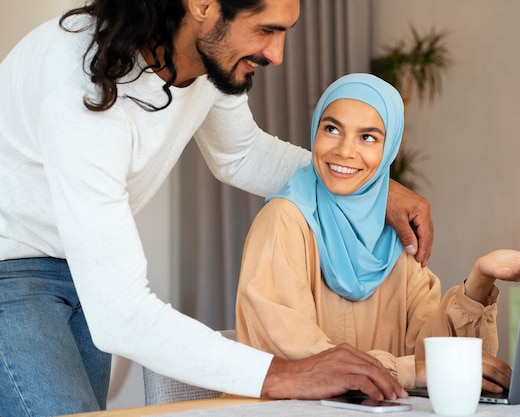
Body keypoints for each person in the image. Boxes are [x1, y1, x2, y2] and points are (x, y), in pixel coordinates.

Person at [0, 1, 437, 416]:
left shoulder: (205, 63)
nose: (277, 54)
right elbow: (122, 312)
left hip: (78, 265)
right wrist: (281, 375)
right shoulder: (81, 91)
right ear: (204, 6)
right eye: (266, 29)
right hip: (11, 267)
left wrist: (376, 188)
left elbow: (241, 155)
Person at [235, 73, 520, 393]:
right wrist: (411, 373)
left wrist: (480, 280)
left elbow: (431, 353)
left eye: (368, 137)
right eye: (331, 129)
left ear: (390, 150)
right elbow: (302, 365)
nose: (345, 151)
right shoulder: (284, 221)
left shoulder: (395, 237)